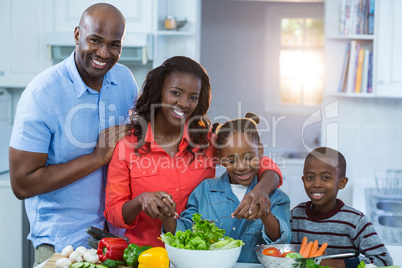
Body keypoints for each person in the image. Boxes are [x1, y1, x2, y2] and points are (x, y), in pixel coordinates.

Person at [104, 56, 283, 248]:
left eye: (193, 97)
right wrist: (140, 201)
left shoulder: (206, 142)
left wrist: (262, 189)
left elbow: (258, 161)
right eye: (176, 93)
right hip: (146, 254)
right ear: (159, 91)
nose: (184, 103)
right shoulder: (128, 146)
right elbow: (113, 212)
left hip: (197, 254)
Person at [9, 3, 137, 267]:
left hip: (116, 242)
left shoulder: (125, 80)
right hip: (62, 246)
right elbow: (22, 185)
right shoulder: (41, 94)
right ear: (77, 35)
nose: (104, 53)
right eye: (95, 40)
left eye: (115, 44)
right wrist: (97, 157)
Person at [161, 113, 292, 263]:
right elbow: (184, 231)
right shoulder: (204, 192)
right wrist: (166, 216)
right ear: (221, 159)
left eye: (249, 158)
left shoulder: (277, 197)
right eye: (231, 160)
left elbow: (282, 241)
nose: (242, 167)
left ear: (260, 152)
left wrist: (264, 214)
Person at [291, 147, 393, 267]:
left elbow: (384, 261)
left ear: (342, 183)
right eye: (310, 177)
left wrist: (342, 264)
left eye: (325, 178)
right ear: (303, 180)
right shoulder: (296, 215)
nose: (316, 184)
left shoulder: (355, 221)